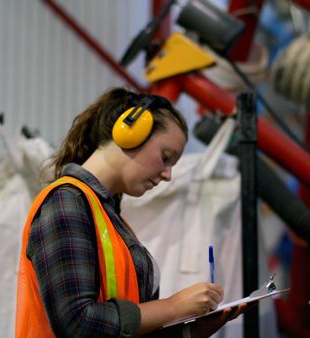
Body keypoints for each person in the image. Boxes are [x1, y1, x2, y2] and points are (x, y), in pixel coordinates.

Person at [15, 87, 247, 338]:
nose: (168, 175)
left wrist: (190, 332)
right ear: (129, 132)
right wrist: (173, 307)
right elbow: (77, 323)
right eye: (165, 156)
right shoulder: (65, 201)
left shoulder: (110, 220)